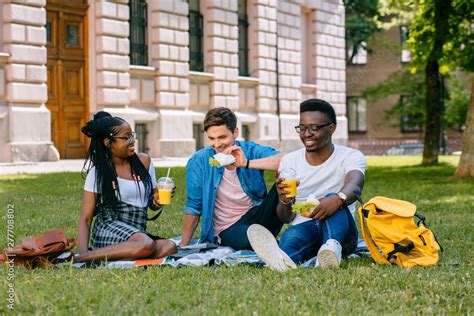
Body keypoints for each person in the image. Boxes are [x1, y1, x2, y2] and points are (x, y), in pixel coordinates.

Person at [247, 99, 366, 271]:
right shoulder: (290, 161)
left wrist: (338, 199)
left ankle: (331, 248)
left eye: (314, 128)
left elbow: (355, 185)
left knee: (332, 197)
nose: (306, 133)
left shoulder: (351, 156)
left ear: (331, 128)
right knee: (291, 238)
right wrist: (285, 200)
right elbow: (285, 218)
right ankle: (282, 260)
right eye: (302, 128)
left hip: (342, 232)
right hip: (305, 227)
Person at [180, 107, 289, 250]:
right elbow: (194, 206)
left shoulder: (249, 151)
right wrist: (183, 246)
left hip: (258, 216)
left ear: (235, 132)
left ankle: (270, 243)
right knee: (251, 240)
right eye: (212, 138)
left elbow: (287, 161)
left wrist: (247, 163)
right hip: (229, 228)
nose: (217, 144)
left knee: (284, 179)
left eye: (222, 137)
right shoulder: (199, 160)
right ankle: (273, 245)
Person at [75, 111, 177, 262]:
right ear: (108, 142)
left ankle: (121, 254)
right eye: (125, 137)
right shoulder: (98, 172)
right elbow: (85, 219)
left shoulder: (144, 162)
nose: (132, 140)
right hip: (109, 227)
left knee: (170, 246)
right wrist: (82, 253)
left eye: (132, 135)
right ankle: (86, 257)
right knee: (146, 244)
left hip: (136, 230)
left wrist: (157, 200)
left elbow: (151, 205)